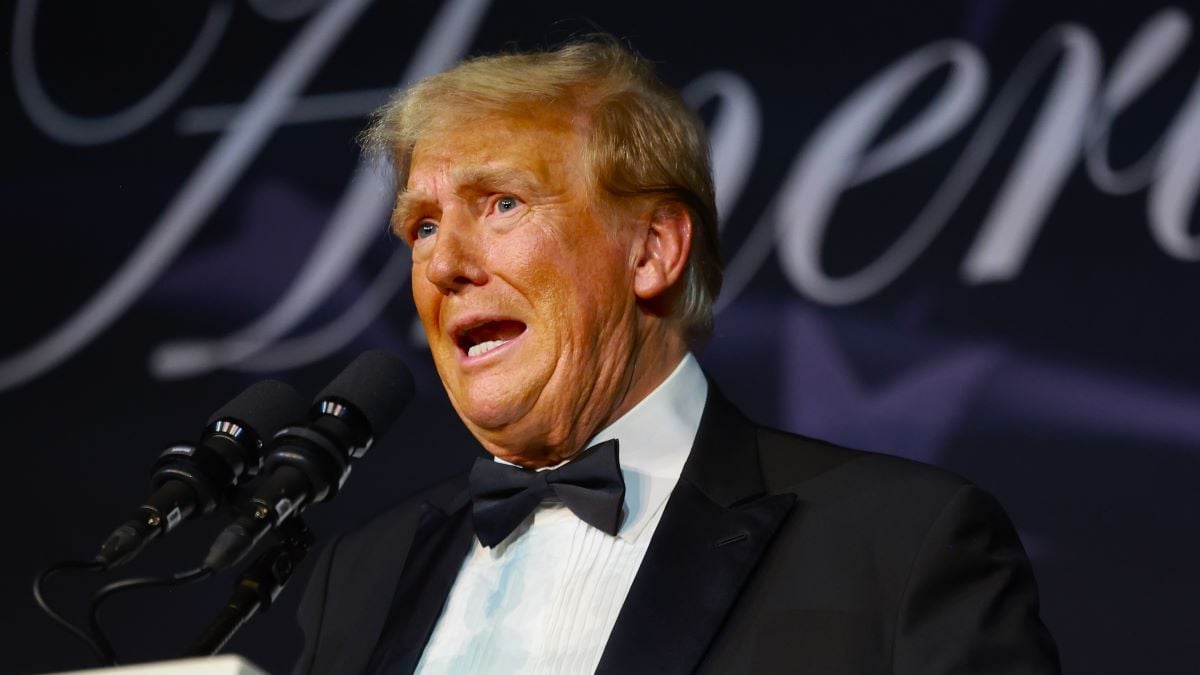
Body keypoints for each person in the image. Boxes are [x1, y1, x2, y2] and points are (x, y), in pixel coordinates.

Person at [291, 36, 1060, 674]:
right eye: (421, 225)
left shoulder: (898, 545)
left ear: (653, 251)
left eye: (503, 204)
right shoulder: (360, 575)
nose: (443, 263)